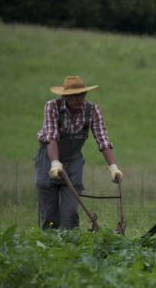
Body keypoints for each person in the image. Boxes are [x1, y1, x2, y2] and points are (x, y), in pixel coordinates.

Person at [35, 76, 123, 229]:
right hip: (48, 161)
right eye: (74, 95)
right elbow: (52, 137)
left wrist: (113, 167)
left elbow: (102, 139)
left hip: (73, 162)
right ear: (65, 96)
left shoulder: (92, 110)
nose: (78, 99)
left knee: (69, 214)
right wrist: (55, 163)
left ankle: (72, 247)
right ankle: (49, 248)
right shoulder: (52, 107)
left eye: (81, 94)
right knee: (49, 217)